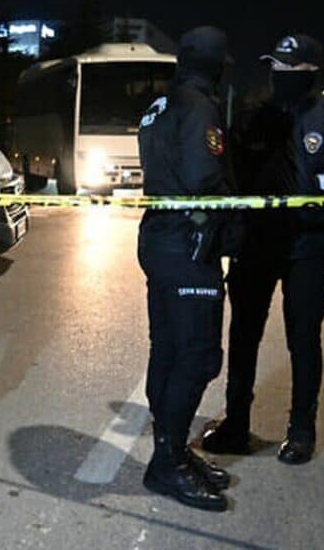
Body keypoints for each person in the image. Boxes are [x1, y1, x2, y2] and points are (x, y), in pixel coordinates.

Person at [202, 35, 324, 464]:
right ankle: (236, 424)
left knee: (302, 337)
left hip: (308, 245)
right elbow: (231, 176)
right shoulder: (252, 119)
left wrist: (318, 184)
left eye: (289, 69)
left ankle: (301, 430)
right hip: (256, 244)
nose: (279, 75)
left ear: (310, 73)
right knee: (243, 335)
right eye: (275, 67)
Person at [136, 27, 239, 511]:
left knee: (168, 348)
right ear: (214, 65)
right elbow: (202, 177)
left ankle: (170, 451)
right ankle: (167, 464)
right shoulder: (200, 106)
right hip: (189, 244)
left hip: (160, 238)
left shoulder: (161, 104)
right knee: (197, 356)